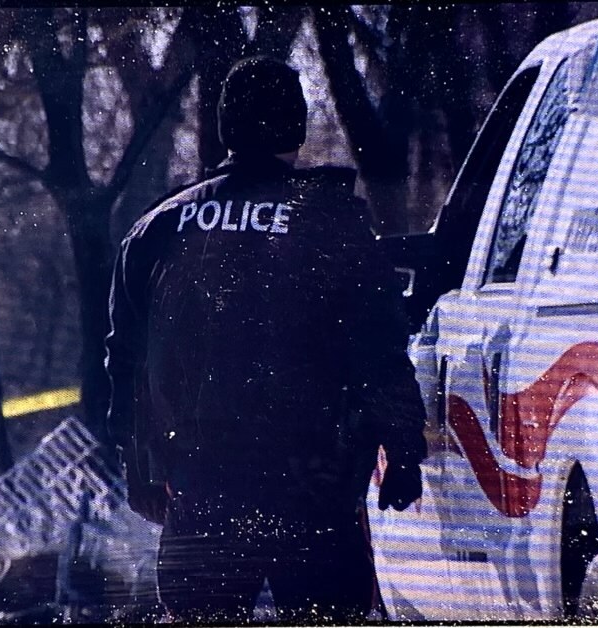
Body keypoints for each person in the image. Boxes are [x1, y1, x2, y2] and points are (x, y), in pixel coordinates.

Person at [105, 55, 427, 624]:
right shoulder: (333, 223)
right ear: (297, 127)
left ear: (225, 128)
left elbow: (125, 361)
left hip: (201, 492)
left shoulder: (158, 230)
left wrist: (138, 467)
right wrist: (402, 448)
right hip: (314, 492)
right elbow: (378, 349)